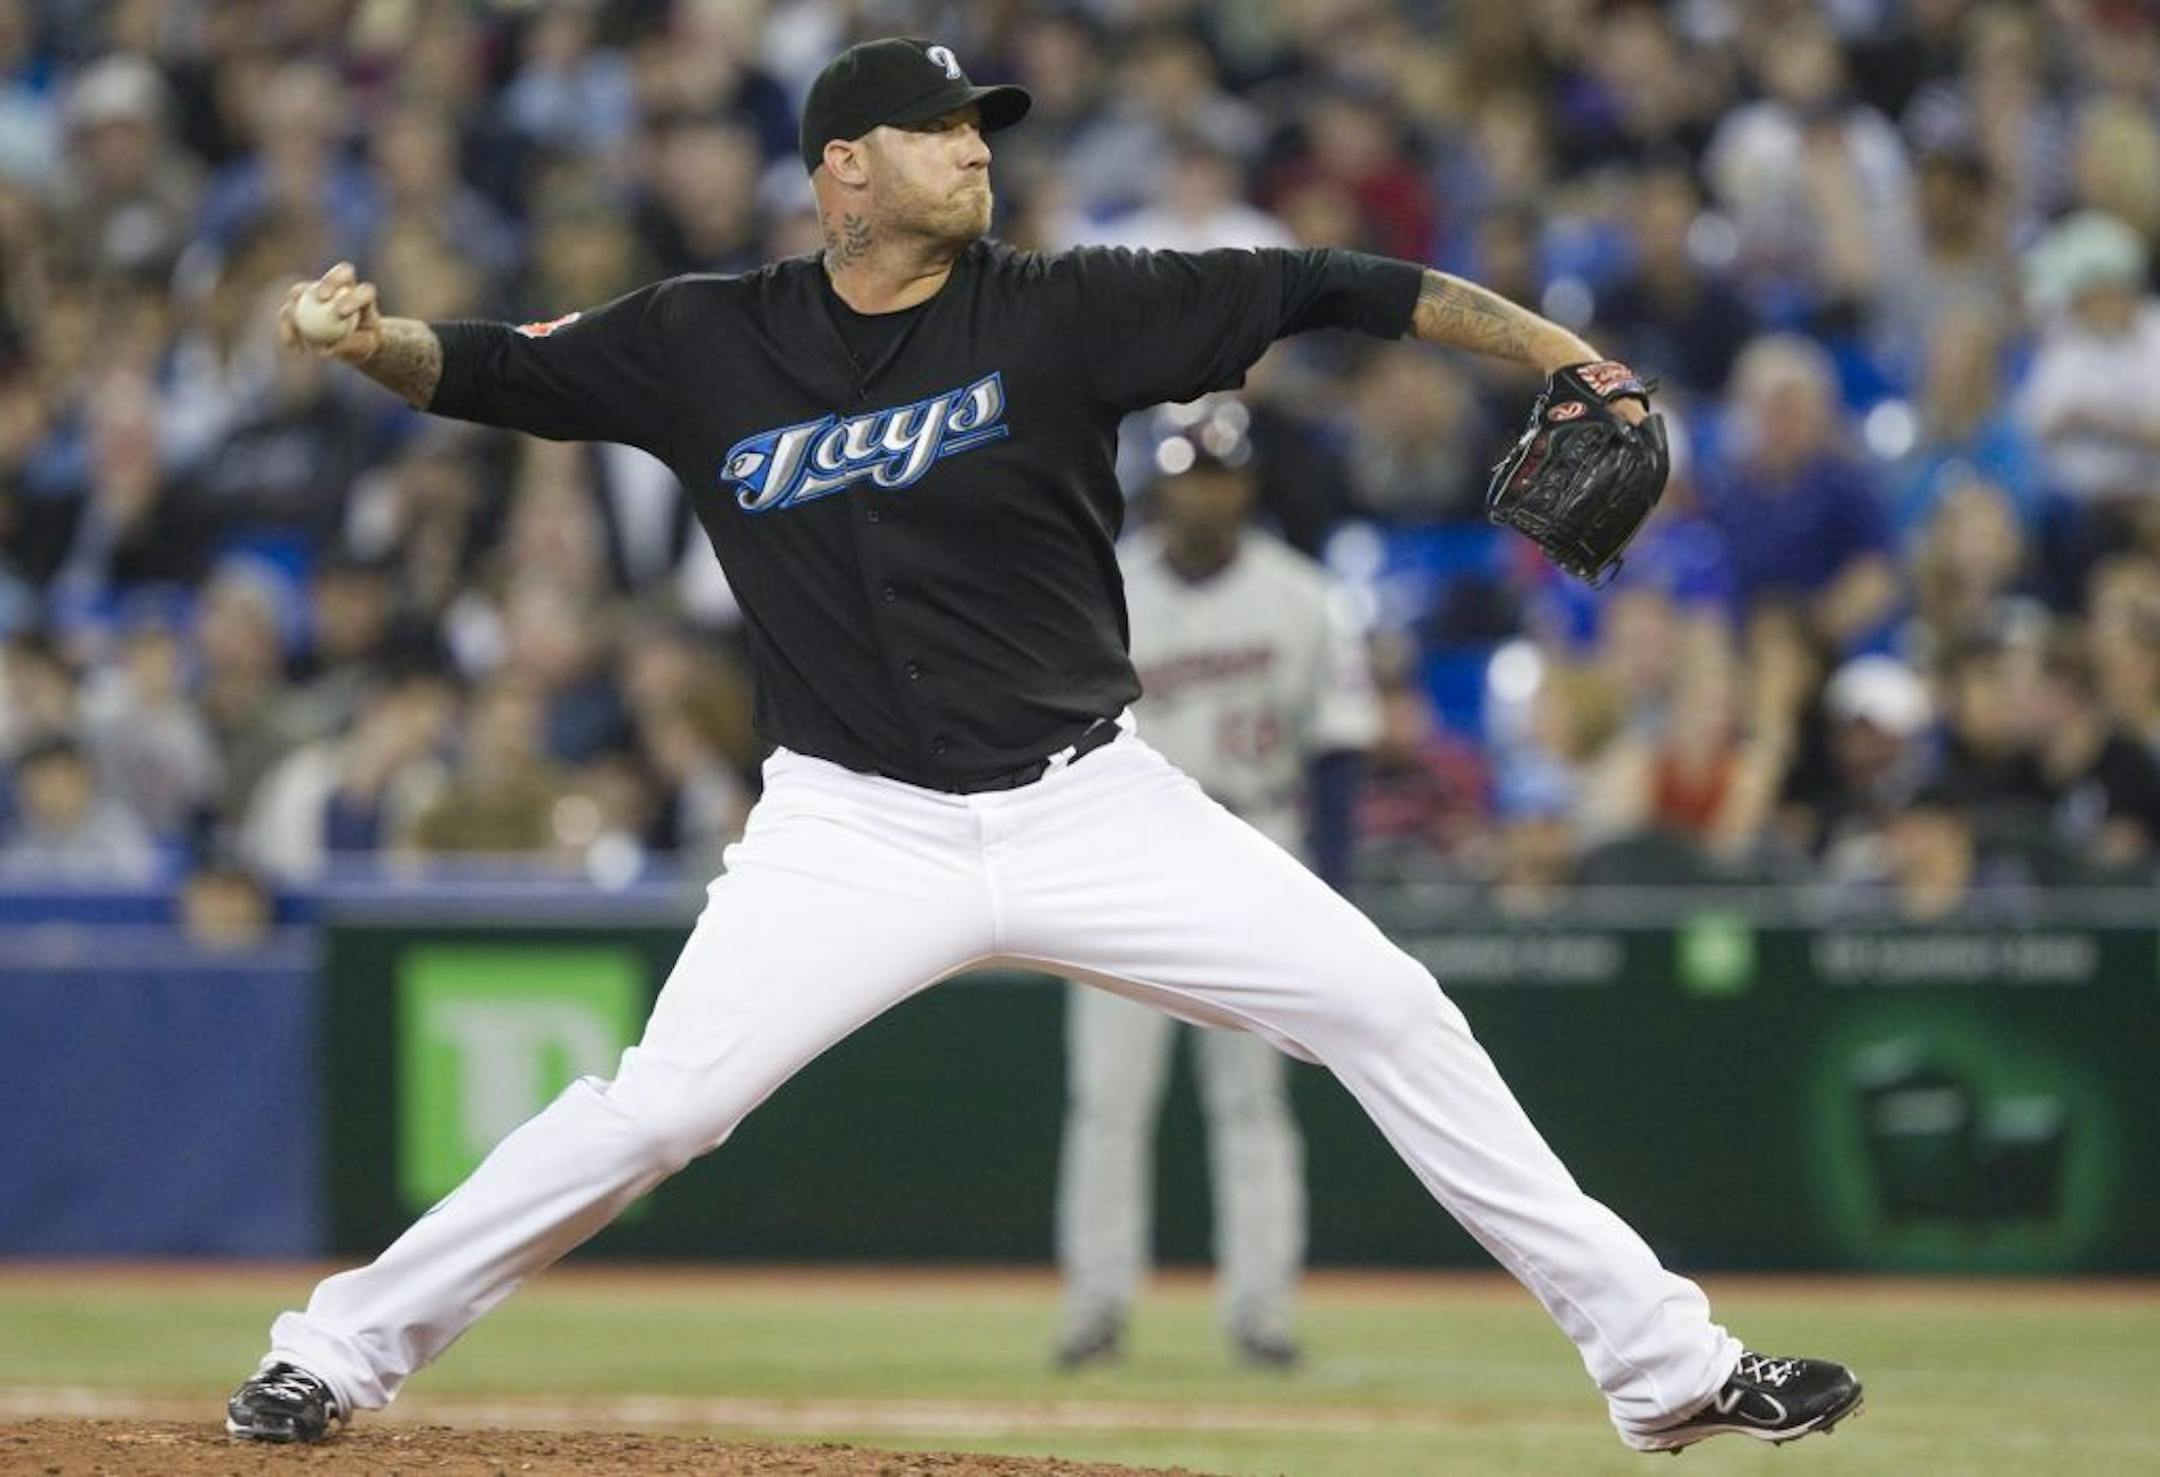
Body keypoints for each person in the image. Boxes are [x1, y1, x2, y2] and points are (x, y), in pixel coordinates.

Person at [226, 37, 1860, 1456]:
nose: (977, 148)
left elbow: (1333, 283)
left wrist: (1566, 356)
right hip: (847, 827)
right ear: (843, 171)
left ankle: (1667, 1367)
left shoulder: (1074, 310)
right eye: (942, 131)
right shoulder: (706, 338)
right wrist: (370, 341)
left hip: (1093, 803)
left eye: (982, 126)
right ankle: (333, 1350)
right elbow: (505, 370)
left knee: (1387, 1004)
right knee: (658, 1113)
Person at [1053, 398, 1377, 1372]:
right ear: (1159, 481)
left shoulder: (1304, 595)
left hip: (1256, 845)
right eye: (1189, 472)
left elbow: (1339, 754)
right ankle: (1097, 1307)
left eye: (1220, 472)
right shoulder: (1102, 587)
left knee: (1252, 1101)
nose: (1205, 490)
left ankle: (1261, 1311)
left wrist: (1336, 893)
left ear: (1248, 482)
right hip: (1127, 861)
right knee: (1109, 1098)